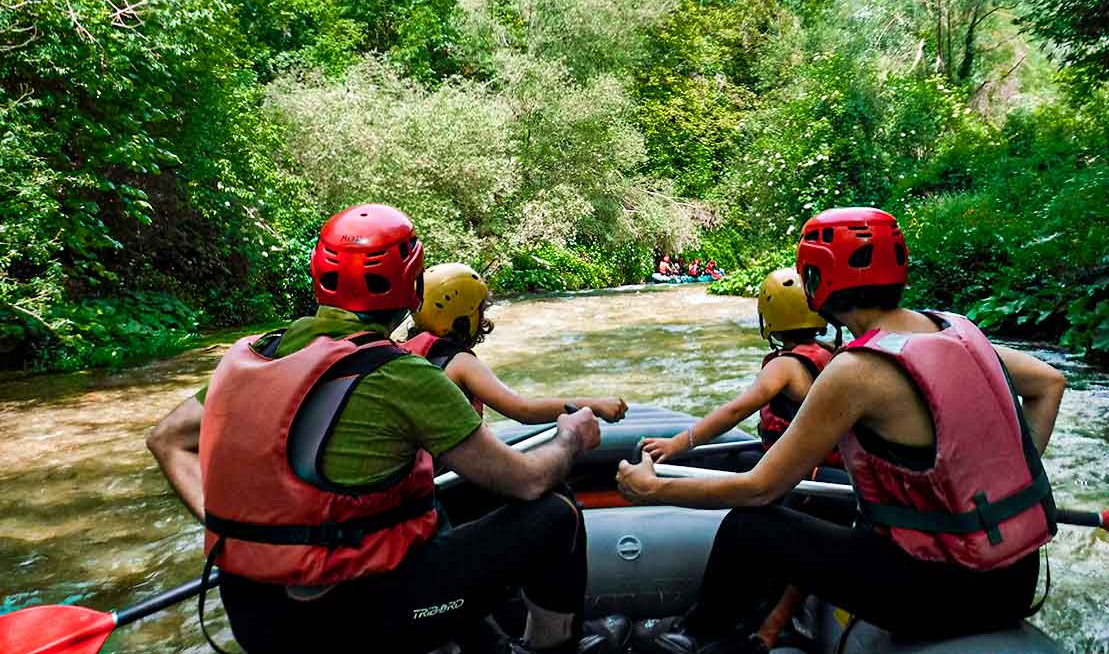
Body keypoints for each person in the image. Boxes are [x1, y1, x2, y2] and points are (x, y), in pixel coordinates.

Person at [147, 204, 629, 654]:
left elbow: (166, 438)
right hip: (348, 620)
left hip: (251, 613)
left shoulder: (257, 353)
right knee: (557, 511)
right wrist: (570, 437)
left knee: (428, 502)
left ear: (320, 278)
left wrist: (229, 530)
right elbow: (525, 479)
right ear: (412, 287)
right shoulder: (402, 374)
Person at [618, 206, 1066, 649]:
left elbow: (760, 490)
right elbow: (1049, 383)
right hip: (1015, 581)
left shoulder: (855, 370)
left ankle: (693, 635)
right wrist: (1007, 478)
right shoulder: (957, 332)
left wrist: (653, 489)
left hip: (939, 592)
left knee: (749, 527)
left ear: (819, 281)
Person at [640, 267, 833, 462]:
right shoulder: (829, 351)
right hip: (816, 459)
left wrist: (677, 444)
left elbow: (735, 411)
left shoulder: (782, 367)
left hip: (795, 469)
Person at [412, 262, 628, 424]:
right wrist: (596, 405)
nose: (483, 317)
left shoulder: (408, 353)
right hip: (445, 473)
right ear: (462, 319)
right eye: (480, 310)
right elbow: (524, 411)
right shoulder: (460, 364)